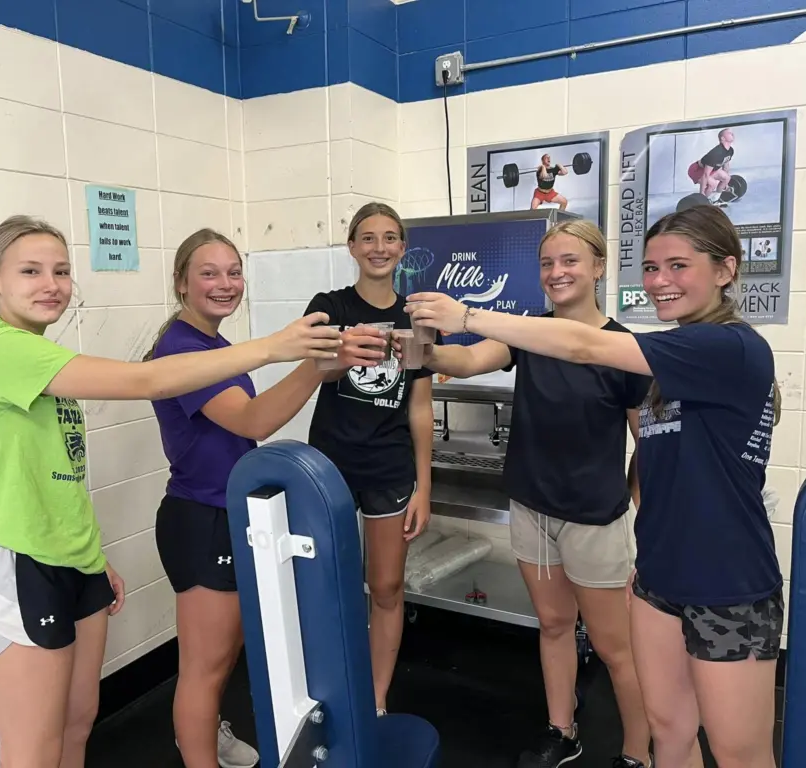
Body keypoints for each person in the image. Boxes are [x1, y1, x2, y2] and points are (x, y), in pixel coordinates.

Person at [0, 215, 342, 768]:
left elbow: (58, 476)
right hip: (24, 563)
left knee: (78, 727)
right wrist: (275, 348)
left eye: (60, 271)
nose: (51, 284)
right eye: (30, 271)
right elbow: (147, 381)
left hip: (75, 564)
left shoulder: (43, 363)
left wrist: (91, 556)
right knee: (32, 751)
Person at [406, 203, 783, 768]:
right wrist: (417, 345)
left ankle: (630, 755)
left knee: (737, 751)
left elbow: (583, 347)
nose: (660, 281)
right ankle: (582, 736)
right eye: (652, 269)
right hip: (659, 573)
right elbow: (655, 460)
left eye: (678, 266)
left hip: (726, 581)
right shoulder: (671, 353)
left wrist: (468, 313)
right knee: (671, 731)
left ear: (726, 270)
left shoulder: (729, 347)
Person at [396, 219, 653, 768]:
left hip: (592, 519)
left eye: (570, 261)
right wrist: (416, 333)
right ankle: (562, 731)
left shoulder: (623, 347)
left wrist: (633, 504)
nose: (556, 273)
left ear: (599, 268)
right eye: (547, 263)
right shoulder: (529, 333)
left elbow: (646, 441)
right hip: (532, 510)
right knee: (555, 626)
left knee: (615, 648)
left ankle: (637, 753)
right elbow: (460, 362)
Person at [144, 229, 384, 768]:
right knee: (203, 669)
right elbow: (253, 420)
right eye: (209, 273)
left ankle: (210, 734)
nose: (226, 284)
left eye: (234, 272)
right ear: (181, 282)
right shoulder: (181, 349)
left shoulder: (215, 344)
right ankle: (199, 751)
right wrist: (322, 365)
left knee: (221, 658)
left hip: (225, 512)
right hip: (200, 517)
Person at [303, 201, 438, 717]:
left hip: (389, 469)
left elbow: (420, 408)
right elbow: (314, 369)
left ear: (402, 248)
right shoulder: (329, 306)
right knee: (329, 584)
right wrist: (344, 354)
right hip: (330, 467)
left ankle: (376, 696)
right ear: (352, 247)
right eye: (368, 238)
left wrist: (425, 486)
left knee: (385, 586)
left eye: (389, 238)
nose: (378, 248)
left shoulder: (418, 318)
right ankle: (332, 688)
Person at [688, 129, 734, 199]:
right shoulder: (716, 154)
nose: (732, 134)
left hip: (711, 170)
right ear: (723, 138)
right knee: (712, 184)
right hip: (697, 170)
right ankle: (703, 202)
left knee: (727, 178)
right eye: (729, 133)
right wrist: (702, 193)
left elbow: (726, 165)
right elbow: (705, 174)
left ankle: (716, 198)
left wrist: (726, 185)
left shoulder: (730, 150)